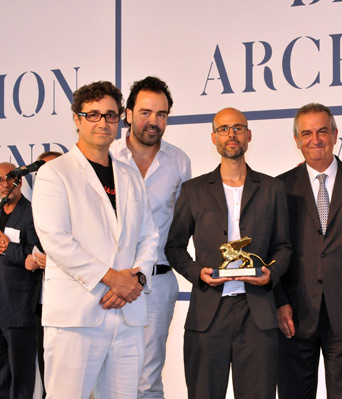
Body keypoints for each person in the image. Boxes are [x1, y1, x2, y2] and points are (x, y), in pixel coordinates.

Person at [32, 81, 159, 398]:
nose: (103, 123)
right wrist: (113, 278)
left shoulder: (129, 174)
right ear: (77, 119)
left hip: (127, 314)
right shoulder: (55, 173)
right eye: (93, 115)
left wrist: (137, 278)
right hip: (77, 316)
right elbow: (55, 238)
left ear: (120, 120)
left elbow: (149, 235)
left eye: (111, 115)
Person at [165, 107, 291, 399]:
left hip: (258, 314)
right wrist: (197, 272)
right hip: (208, 315)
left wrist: (271, 274)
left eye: (237, 128)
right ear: (213, 137)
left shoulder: (273, 188)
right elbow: (173, 246)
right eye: (224, 129)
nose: (231, 134)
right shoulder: (193, 190)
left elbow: (283, 246)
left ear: (249, 135)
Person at [275, 103, 342, 399]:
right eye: (307, 133)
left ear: (335, 134)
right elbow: (271, 251)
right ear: (297, 140)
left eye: (322, 131)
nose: (315, 139)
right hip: (294, 315)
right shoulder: (279, 188)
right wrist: (278, 301)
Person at [111, 76, 191, 398]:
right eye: (145, 112)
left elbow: (185, 225)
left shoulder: (179, 161)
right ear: (128, 114)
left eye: (161, 114)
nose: (153, 122)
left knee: (149, 379)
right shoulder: (108, 156)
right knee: (108, 373)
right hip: (110, 283)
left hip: (157, 284)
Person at [0, 162, 42, 399]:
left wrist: (7, 247)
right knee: (1, 377)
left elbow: (38, 253)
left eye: (10, 178)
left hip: (19, 308)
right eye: (0, 180)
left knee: (21, 378)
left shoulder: (33, 212)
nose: (5, 185)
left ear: (20, 181)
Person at [26, 150, 63, 399]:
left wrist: (57, 263)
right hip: (42, 304)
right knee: (46, 369)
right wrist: (28, 258)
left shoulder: (79, 208)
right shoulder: (33, 210)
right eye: (42, 171)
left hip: (73, 307)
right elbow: (29, 248)